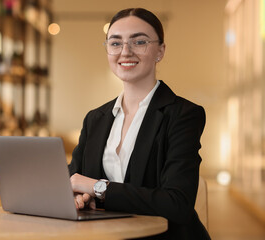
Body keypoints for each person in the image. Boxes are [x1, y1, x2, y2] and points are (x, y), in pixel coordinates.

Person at [68, 8, 211, 240]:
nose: (125, 51)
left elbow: (177, 203)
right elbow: (73, 180)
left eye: (139, 41)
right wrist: (75, 195)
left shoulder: (184, 115)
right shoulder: (94, 118)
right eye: (115, 43)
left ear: (160, 51)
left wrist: (97, 188)